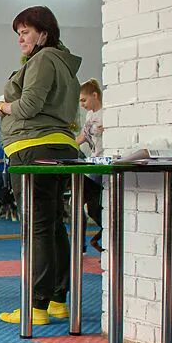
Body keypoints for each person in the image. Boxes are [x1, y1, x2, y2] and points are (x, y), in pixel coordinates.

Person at [0, 6, 81, 326]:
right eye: (18, 34)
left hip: (32, 148)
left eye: (25, 32)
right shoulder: (66, 66)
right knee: (54, 224)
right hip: (61, 145)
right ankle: (57, 300)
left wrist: (2, 106)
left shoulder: (43, 60)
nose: (20, 39)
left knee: (39, 227)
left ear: (44, 34)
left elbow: (28, 107)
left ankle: (37, 305)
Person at [77, 78, 104, 252]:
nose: (82, 105)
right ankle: (82, 246)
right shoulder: (89, 116)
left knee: (95, 207)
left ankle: (105, 235)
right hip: (93, 162)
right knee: (84, 205)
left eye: (84, 100)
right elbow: (82, 137)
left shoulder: (106, 113)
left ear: (95, 95)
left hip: (104, 163)